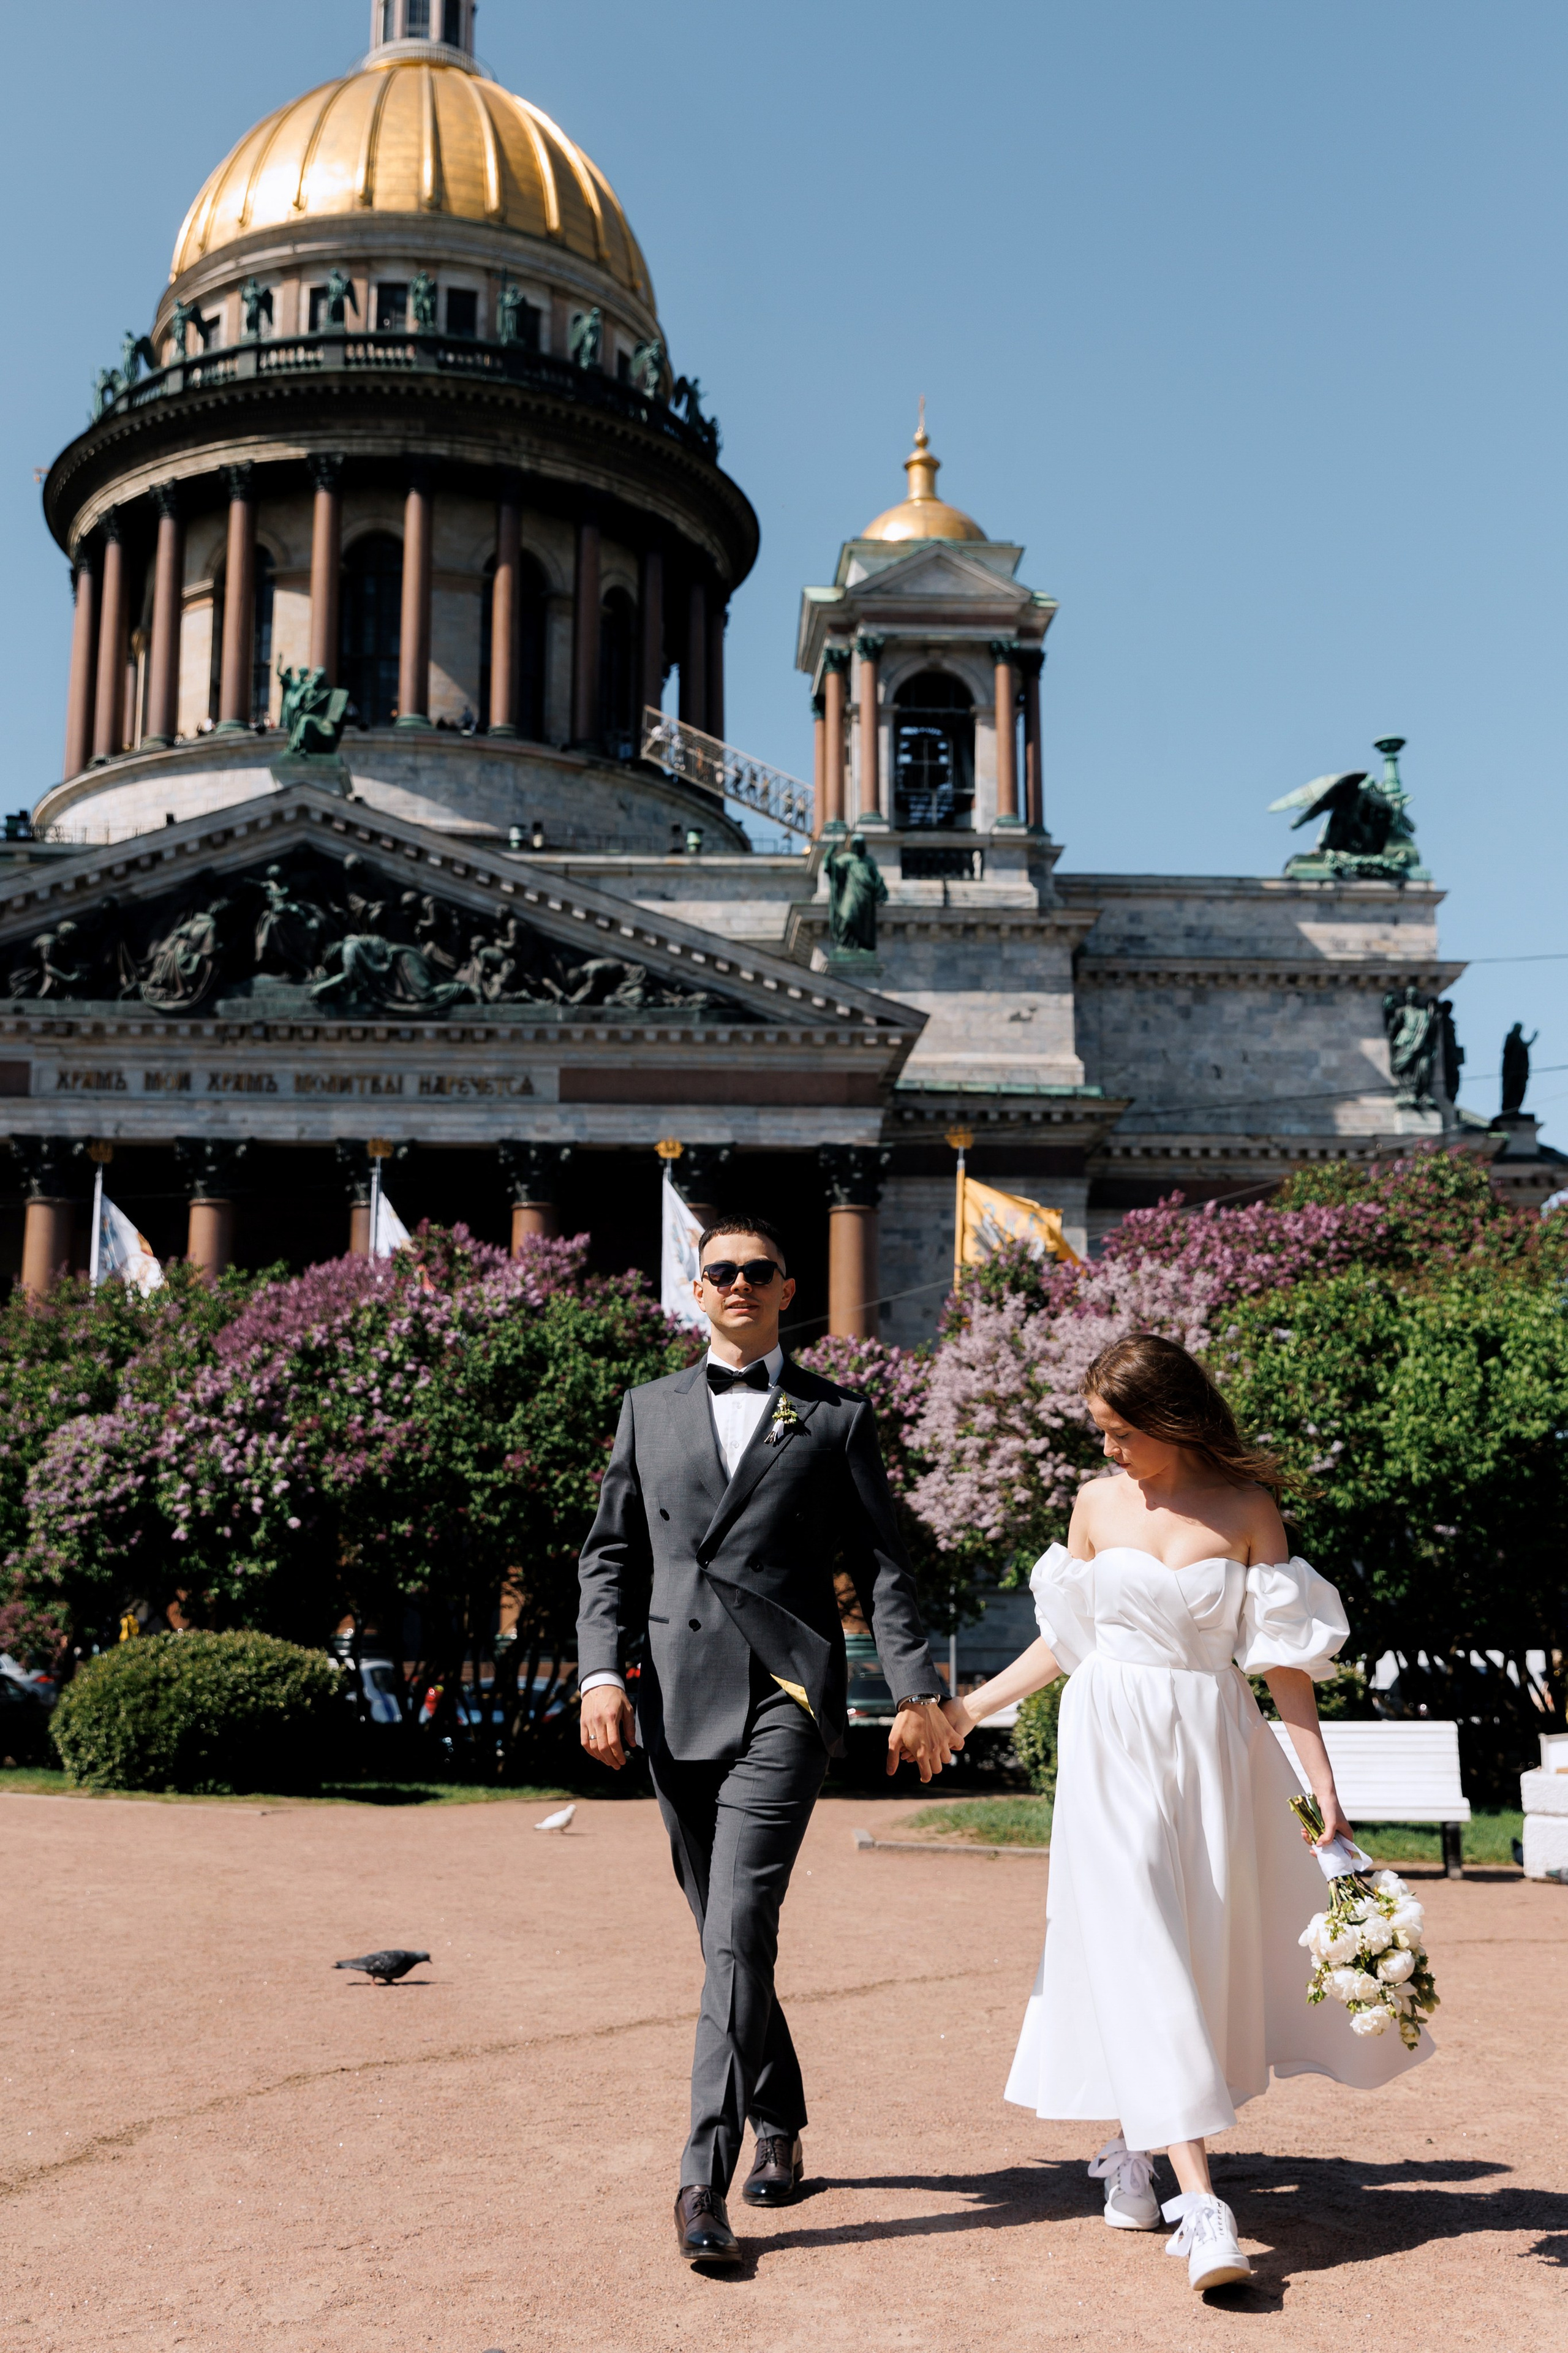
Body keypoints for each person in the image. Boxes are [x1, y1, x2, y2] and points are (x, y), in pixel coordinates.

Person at [944, 1333, 1428, 2296]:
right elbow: (1064, 1640)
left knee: (1195, 1948)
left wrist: (1317, 1775)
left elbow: (1283, 1655)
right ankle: (1203, 2208)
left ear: (1171, 1418)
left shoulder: (1249, 1508)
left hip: (1212, 1742)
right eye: (1101, 1432)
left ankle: (1133, 2142)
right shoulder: (1094, 1503)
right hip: (1109, 1742)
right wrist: (967, 1708)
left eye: (1122, 1431)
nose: (1109, 1449)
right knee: (1142, 1943)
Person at [577, 1214, 962, 2268]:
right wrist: (601, 1672)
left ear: (788, 1288)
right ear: (696, 1294)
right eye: (720, 1273)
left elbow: (885, 1563)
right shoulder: (646, 1409)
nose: (738, 1284)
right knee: (725, 1936)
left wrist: (920, 1688)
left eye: (757, 1270)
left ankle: (703, 2177)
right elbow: (608, 1555)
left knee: (740, 1920)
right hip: (673, 1699)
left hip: (786, 1696)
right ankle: (781, 2110)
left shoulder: (836, 1418)